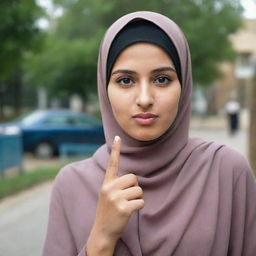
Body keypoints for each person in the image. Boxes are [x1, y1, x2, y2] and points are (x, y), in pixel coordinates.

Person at [43, 11, 256, 256]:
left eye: (162, 79)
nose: (144, 99)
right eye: (125, 81)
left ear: (184, 85)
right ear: (105, 88)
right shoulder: (71, 185)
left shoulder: (225, 172)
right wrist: (101, 239)